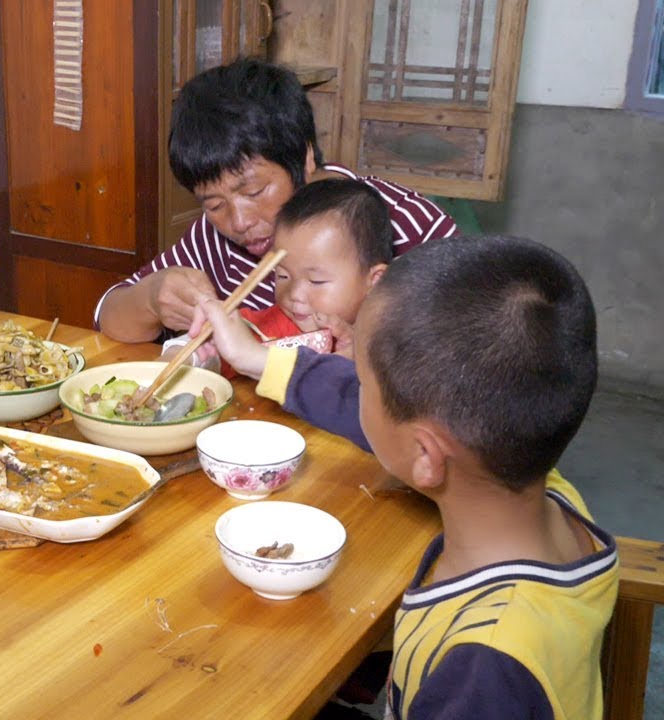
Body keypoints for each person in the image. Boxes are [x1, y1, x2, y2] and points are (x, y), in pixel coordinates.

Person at [354, 235, 618, 718]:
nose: (356, 395)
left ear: (425, 455)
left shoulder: (483, 673)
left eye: (359, 382)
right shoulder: (551, 491)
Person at [94, 57, 455, 344]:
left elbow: (473, 362)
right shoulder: (215, 236)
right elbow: (109, 315)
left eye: (253, 192)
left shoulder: (406, 224)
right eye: (214, 204)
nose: (239, 222)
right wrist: (152, 299)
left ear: (305, 158)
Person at [202, 178, 392, 359]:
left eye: (316, 281)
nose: (295, 294)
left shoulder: (390, 341)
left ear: (374, 281)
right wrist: (199, 346)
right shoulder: (270, 325)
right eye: (283, 276)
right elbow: (207, 347)